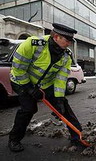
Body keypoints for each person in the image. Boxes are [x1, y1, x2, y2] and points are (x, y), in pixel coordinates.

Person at [8, 23, 84, 152]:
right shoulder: (32, 44)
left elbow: (61, 78)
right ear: (56, 37)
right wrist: (30, 88)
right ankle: (14, 139)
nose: (69, 43)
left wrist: (59, 99)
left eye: (71, 41)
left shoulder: (66, 55)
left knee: (63, 107)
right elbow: (18, 68)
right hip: (21, 81)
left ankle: (77, 136)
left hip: (45, 84)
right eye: (67, 40)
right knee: (29, 108)